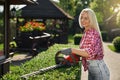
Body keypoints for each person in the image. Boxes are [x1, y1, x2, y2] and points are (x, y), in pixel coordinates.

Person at [67, 8, 110, 80]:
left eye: (86, 18)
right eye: (81, 17)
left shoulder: (93, 33)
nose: (82, 20)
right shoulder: (86, 32)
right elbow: (84, 51)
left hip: (99, 70)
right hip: (92, 69)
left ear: (91, 20)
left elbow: (89, 53)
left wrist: (71, 50)